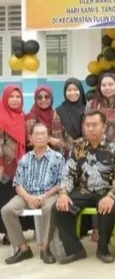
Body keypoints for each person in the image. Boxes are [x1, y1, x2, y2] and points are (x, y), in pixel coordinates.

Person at [53, 110, 115, 264]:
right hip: (84, 191)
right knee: (59, 208)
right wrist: (63, 193)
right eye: (87, 125)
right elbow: (68, 173)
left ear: (104, 127)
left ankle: (103, 249)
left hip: (108, 191)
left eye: (95, 125)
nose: (91, 128)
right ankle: (75, 250)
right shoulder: (78, 147)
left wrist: (111, 196)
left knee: (108, 208)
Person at [1, 122, 64, 264]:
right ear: (30, 138)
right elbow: (17, 184)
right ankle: (23, 249)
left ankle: (45, 249)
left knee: (49, 209)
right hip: (27, 195)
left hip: (49, 195)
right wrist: (28, 197)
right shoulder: (25, 159)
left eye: (43, 134)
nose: (40, 137)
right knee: (7, 210)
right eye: (36, 134)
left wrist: (43, 196)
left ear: (48, 138)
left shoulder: (58, 158)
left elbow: (60, 183)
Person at [0, 85, 27, 246]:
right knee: (4, 199)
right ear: (5, 98)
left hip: (19, 166)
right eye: (11, 96)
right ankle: (7, 233)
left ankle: (14, 233)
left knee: (15, 197)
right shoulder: (0, 115)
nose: (15, 100)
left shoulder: (22, 116)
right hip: (4, 166)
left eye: (18, 97)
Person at [86, 72, 115, 143]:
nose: (107, 88)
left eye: (110, 84)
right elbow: (86, 126)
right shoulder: (92, 105)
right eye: (103, 85)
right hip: (97, 144)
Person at [25, 86, 65, 152]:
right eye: (39, 97)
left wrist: (59, 142)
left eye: (47, 97)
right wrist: (49, 139)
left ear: (51, 98)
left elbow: (62, 142)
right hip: (36, 153)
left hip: (56, 153)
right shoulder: (31, 117)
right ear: (35, 99)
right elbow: (29, 142)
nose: (43, 100)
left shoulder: (56, 115)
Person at [55, 78, 87, 156]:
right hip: (65, 153)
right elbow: (58, 135)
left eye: (75, 89)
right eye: (69, 90)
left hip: (86, 151)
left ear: (80, 91)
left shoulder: (88, 109)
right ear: (65, 92)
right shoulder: (59, 111)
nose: (72, 93)